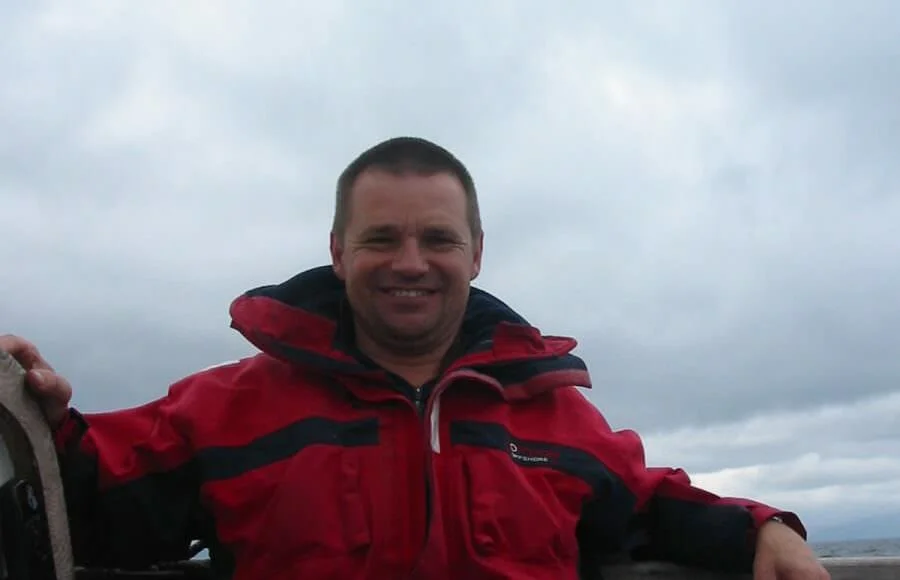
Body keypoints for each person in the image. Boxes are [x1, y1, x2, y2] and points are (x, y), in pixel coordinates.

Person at [1, 136, 828, 580]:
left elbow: (650, 504)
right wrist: (32, 410)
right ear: (337, 251)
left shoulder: (552, 416)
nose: (410, 262)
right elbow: (84, 499)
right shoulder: (227, 411)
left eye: (437, 238)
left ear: (476, 253)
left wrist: (763, 530)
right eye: (381, 239)